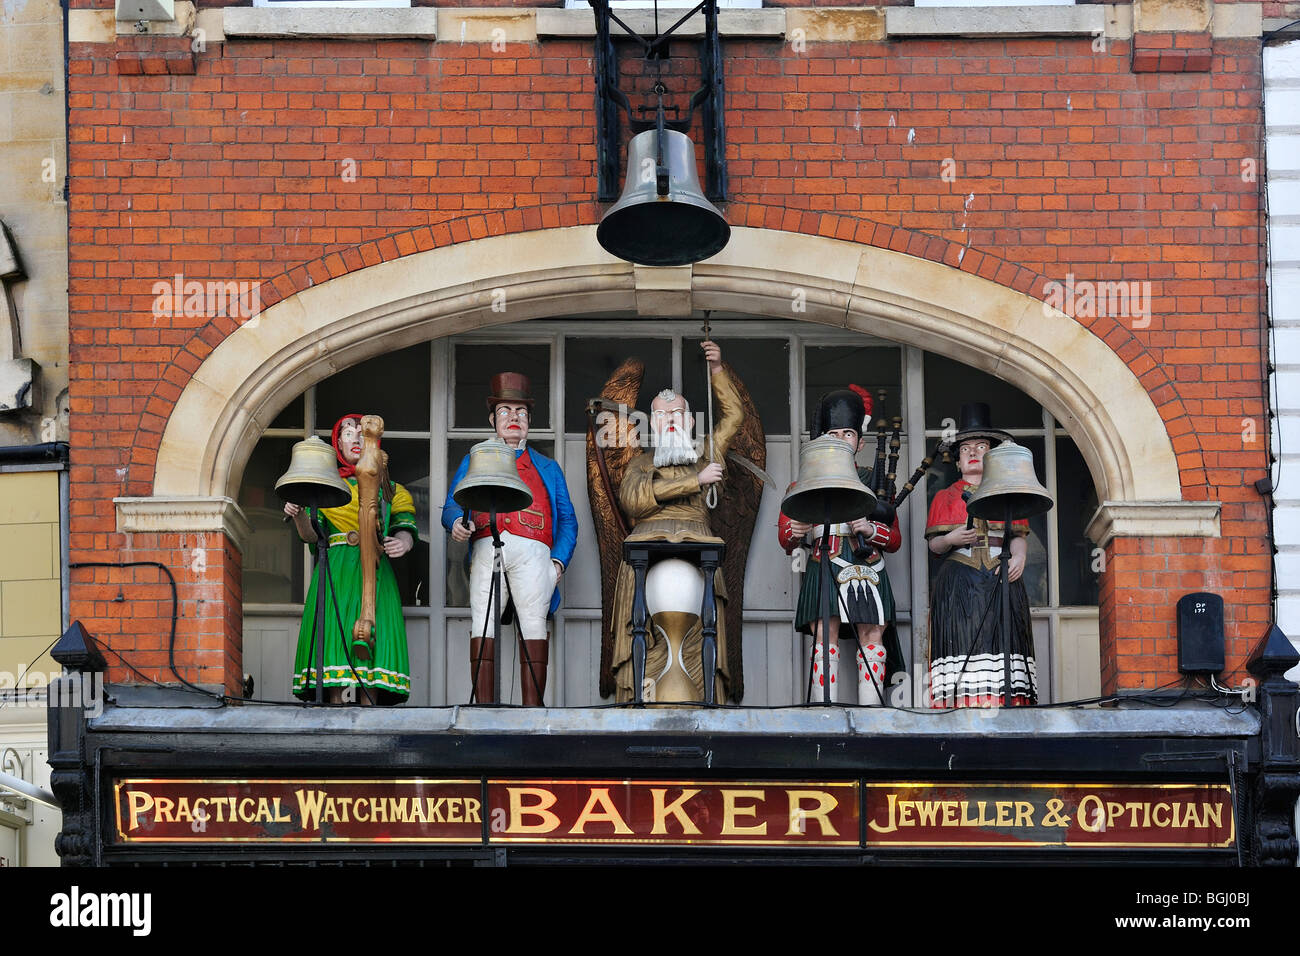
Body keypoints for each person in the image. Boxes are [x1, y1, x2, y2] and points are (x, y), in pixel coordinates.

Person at [609, 340, 741, 703]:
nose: (670, 421)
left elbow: (733, 418)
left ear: (691, 420)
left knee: (700, 634)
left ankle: (702, 699)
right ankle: (642, 698)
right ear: (653, 422)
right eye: (663, 415)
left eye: (677, 414)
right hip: (643, 556)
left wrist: (717, 371)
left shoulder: (706, 454)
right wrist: (693, 482)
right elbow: (633, 499)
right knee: (646, 635)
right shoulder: (641, 463)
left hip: (700, 552)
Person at [443, 373, 577, 705]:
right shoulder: (476, 460)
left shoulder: (547, 467)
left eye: (520, 412)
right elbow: (452, 506)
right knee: (483, 623)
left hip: (535, 554)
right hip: (488, 546)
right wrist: (456, 525)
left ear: (530, 421)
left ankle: (533, 707)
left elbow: (568, 520)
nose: (513, 418)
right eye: (505, 411)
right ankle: (483, 705)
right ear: (493, 420)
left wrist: (557, 562)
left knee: (533, 625)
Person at [778, 386, 903, 704]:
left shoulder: (873, 481)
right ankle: (823, 705)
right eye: (833, 432)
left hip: (867, 565)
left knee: (872, 634)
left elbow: (895, 539)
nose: (839, 439)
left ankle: (872, 708)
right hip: (825, 558)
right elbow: (785, 538)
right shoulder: (802, 482)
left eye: (847, 433)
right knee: (823, 632)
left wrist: (870, 529)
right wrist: (795, 529)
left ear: (860, 441)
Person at [285, 413, 416, 704]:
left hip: (375, 569)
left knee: (371, 636)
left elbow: (404, 526)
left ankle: (368, 704)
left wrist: (403, 542)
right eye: (348, 434)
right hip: (337, 570)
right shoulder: (326, 487)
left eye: (362, 434)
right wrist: (299, 514)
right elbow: (311, 536)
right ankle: (336, 703)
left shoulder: (391, 491)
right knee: (337, 634)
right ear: (337, 443)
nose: (356, 440)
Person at [925, 402, 1036, 707]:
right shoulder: (944, 497)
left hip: (1000, 578)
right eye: (966, 449)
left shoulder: (1007, 491)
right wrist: (950, 537)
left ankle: (1006, 701)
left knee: (1003, 639)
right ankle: (962, 702)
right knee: (962, 640)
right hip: (960, 581)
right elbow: (934, 547)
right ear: (958, 461)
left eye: (981, 447)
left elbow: (1018, 535)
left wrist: (1019, 557)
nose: (973, 453)